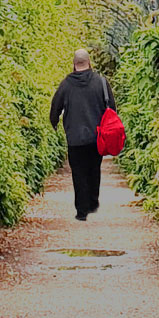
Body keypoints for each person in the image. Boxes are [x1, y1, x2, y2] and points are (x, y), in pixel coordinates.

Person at [48, 47, 117, 222]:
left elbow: (56, 105)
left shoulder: (66, 84)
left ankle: (82, 210)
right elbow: (112, 108)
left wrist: (54, 121)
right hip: (97, 136)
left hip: (75, 137)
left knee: (78, 172)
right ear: (89, 63)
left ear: (74, 64)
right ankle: (93, 202)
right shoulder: (100, 82)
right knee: (94, 168)